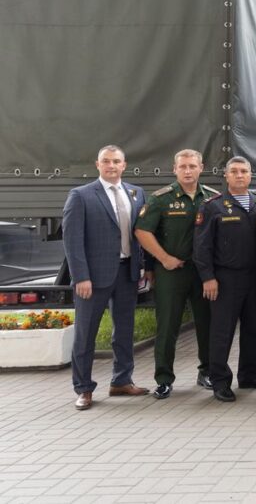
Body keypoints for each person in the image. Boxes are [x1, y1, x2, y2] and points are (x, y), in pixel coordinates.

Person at [63, 145, 150, 410]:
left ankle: (121, 381)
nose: (111, 165)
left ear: (124, 165)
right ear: (97, 164)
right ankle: (84, 389)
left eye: (116, 161)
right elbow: (72, 240)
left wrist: (143, 268)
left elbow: (142, 234)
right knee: (85, 334)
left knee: (124, 331)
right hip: (92, 277)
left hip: (127, 273)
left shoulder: (136, 193)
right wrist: (81, 276)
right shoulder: (81, 195)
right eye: (106, 161)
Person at [134, 149, 217, 400]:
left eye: (192, 166)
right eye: (183, 166)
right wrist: (164, 259)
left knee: (207, 324)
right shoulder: (161, 199)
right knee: (168, 326)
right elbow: (142, 231)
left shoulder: (212, 198)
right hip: (172, 272)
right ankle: (164, 379)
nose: (188, 171)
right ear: (175, 169)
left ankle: (207, 372)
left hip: (203, 273)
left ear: (201, 168)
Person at [192, 156, 256, 402]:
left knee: (252, 329)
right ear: (226, 175)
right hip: (225, 278)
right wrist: (208, 278)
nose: (239, 175)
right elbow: (202, 247)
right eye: (234, 171)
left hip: (254, 277)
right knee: (222, 331)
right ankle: (220, 381)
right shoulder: (212, 206)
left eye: (244, 171)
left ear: (250, 175)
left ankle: (249, 374)